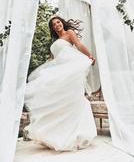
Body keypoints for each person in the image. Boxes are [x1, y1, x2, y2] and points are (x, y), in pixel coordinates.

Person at [25, 16, 97, 151]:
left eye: (58, 22)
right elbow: (55, 59)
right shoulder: (55, 41)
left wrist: (89, 55)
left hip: (69, 70)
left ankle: (75, 134)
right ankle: (54, 134)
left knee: (72, 100)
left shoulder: (69, 33)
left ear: (62, 23)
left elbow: (79, 45)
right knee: (55, 99)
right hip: (60, 70)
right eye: (54, 24)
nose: (57, 24)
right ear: (52, 28)